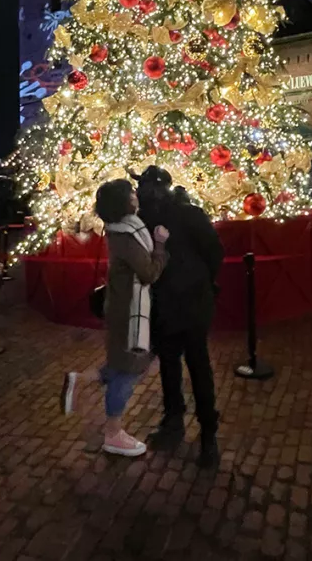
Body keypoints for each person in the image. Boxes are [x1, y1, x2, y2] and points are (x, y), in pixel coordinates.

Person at [60, 179, 168, 457]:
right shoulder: (126, 235)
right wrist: (160, 247)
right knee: (128, 371)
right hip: (128, 311)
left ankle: (80, 380)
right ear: (124, 202)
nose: (136, 195)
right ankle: (113, 432)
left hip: (123, 306)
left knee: (124, 363)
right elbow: (148, 273)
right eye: (131, 193)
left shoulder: (124, 228)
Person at [135, 166, 224, 468]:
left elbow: (213, 252)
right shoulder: (188, 214)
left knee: (178, 364)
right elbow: (214, 252)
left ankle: (184, 422)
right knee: (191, 364)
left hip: (171, 302)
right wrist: (204, 280)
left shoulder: (146, 220)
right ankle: (200, 430)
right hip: (184, 302)